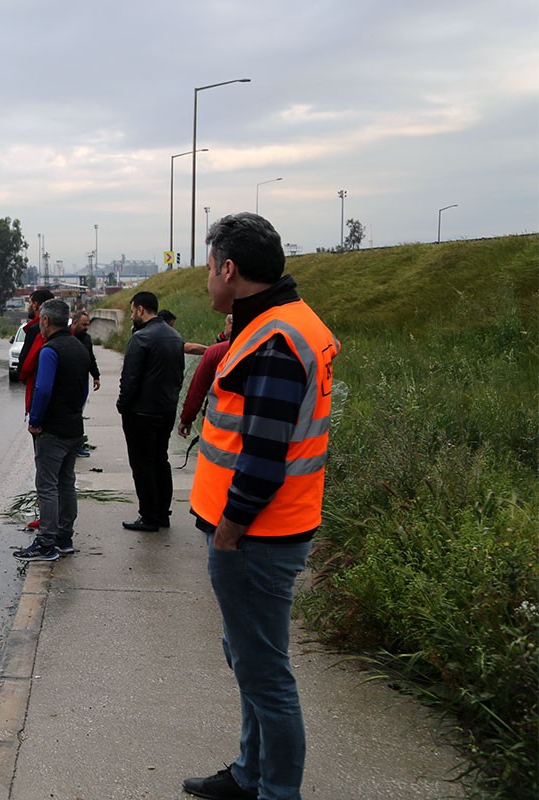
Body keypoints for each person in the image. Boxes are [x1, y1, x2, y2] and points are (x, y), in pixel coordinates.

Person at [182, 212, 339, 800]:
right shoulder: (282, 323)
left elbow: (265, 455)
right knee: (248, 660)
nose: (205, 279)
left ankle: (276, 791)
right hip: (263, 530)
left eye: (207, 266)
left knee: (267, 676)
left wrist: (229, 530)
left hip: (254, 536)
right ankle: (250, 774)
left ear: (229, 268)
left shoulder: (274, 340)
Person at [13, 299, 90, 561]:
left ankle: (46, 543)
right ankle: (64, 537)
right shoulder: (79, 348)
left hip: (52, 431)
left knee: (47, 486)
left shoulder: (50, 350)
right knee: (67, 482)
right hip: (73, 427)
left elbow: (42, 389)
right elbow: (84, 390)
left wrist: (35, 420)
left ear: (45, 320)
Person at [117, 291, 184, 532]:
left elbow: (130, 379)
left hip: (141, 413)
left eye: (133, 310)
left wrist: (122, 405)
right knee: (160, 461)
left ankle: (148, 515)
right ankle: (162, 513)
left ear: (141, 309)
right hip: (165, 410)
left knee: (142, 465)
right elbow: (179, 376)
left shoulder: (141, 338)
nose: (132, 314)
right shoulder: (175, 337)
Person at [178, 314, 233, 439]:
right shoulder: (264, 349)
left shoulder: (216, 352)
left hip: (217, 423)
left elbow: (197, 391)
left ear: (231, 326)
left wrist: (187, 419)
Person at [17, 288, 55, 413]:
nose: (28, 307)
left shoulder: (35, 329)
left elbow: (26, 363)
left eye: (29, 303)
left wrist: (21, 374)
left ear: (36, 305)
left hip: (37, 390)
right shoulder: (61, 329)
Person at [70, 310, 100, 458]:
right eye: (84, 324)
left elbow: (91, 358)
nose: (86, 327)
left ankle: (78, 445)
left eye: (88, 324)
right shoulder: (66, 338)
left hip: (83, 382)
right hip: (68, 382)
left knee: (78, 414)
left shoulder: (87, 339)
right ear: (74, 323)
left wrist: (96, 376)